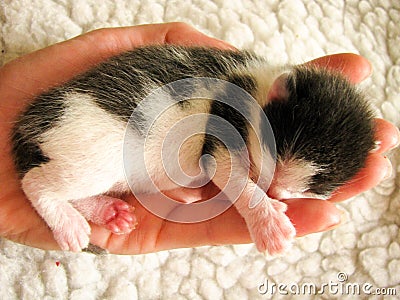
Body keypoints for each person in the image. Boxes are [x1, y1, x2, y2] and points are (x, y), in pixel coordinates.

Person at [0, 23, 398, 254]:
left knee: (106, 173)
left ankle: (82, 197)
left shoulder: (263, 105)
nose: (273, 188)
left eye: (303, 189)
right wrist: (257, 208)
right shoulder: (240, 93)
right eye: (273, 163)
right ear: (275, 94)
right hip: (104, 117)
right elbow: (215, 159)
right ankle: (46, 191)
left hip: (127, 145)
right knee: (105, 157)